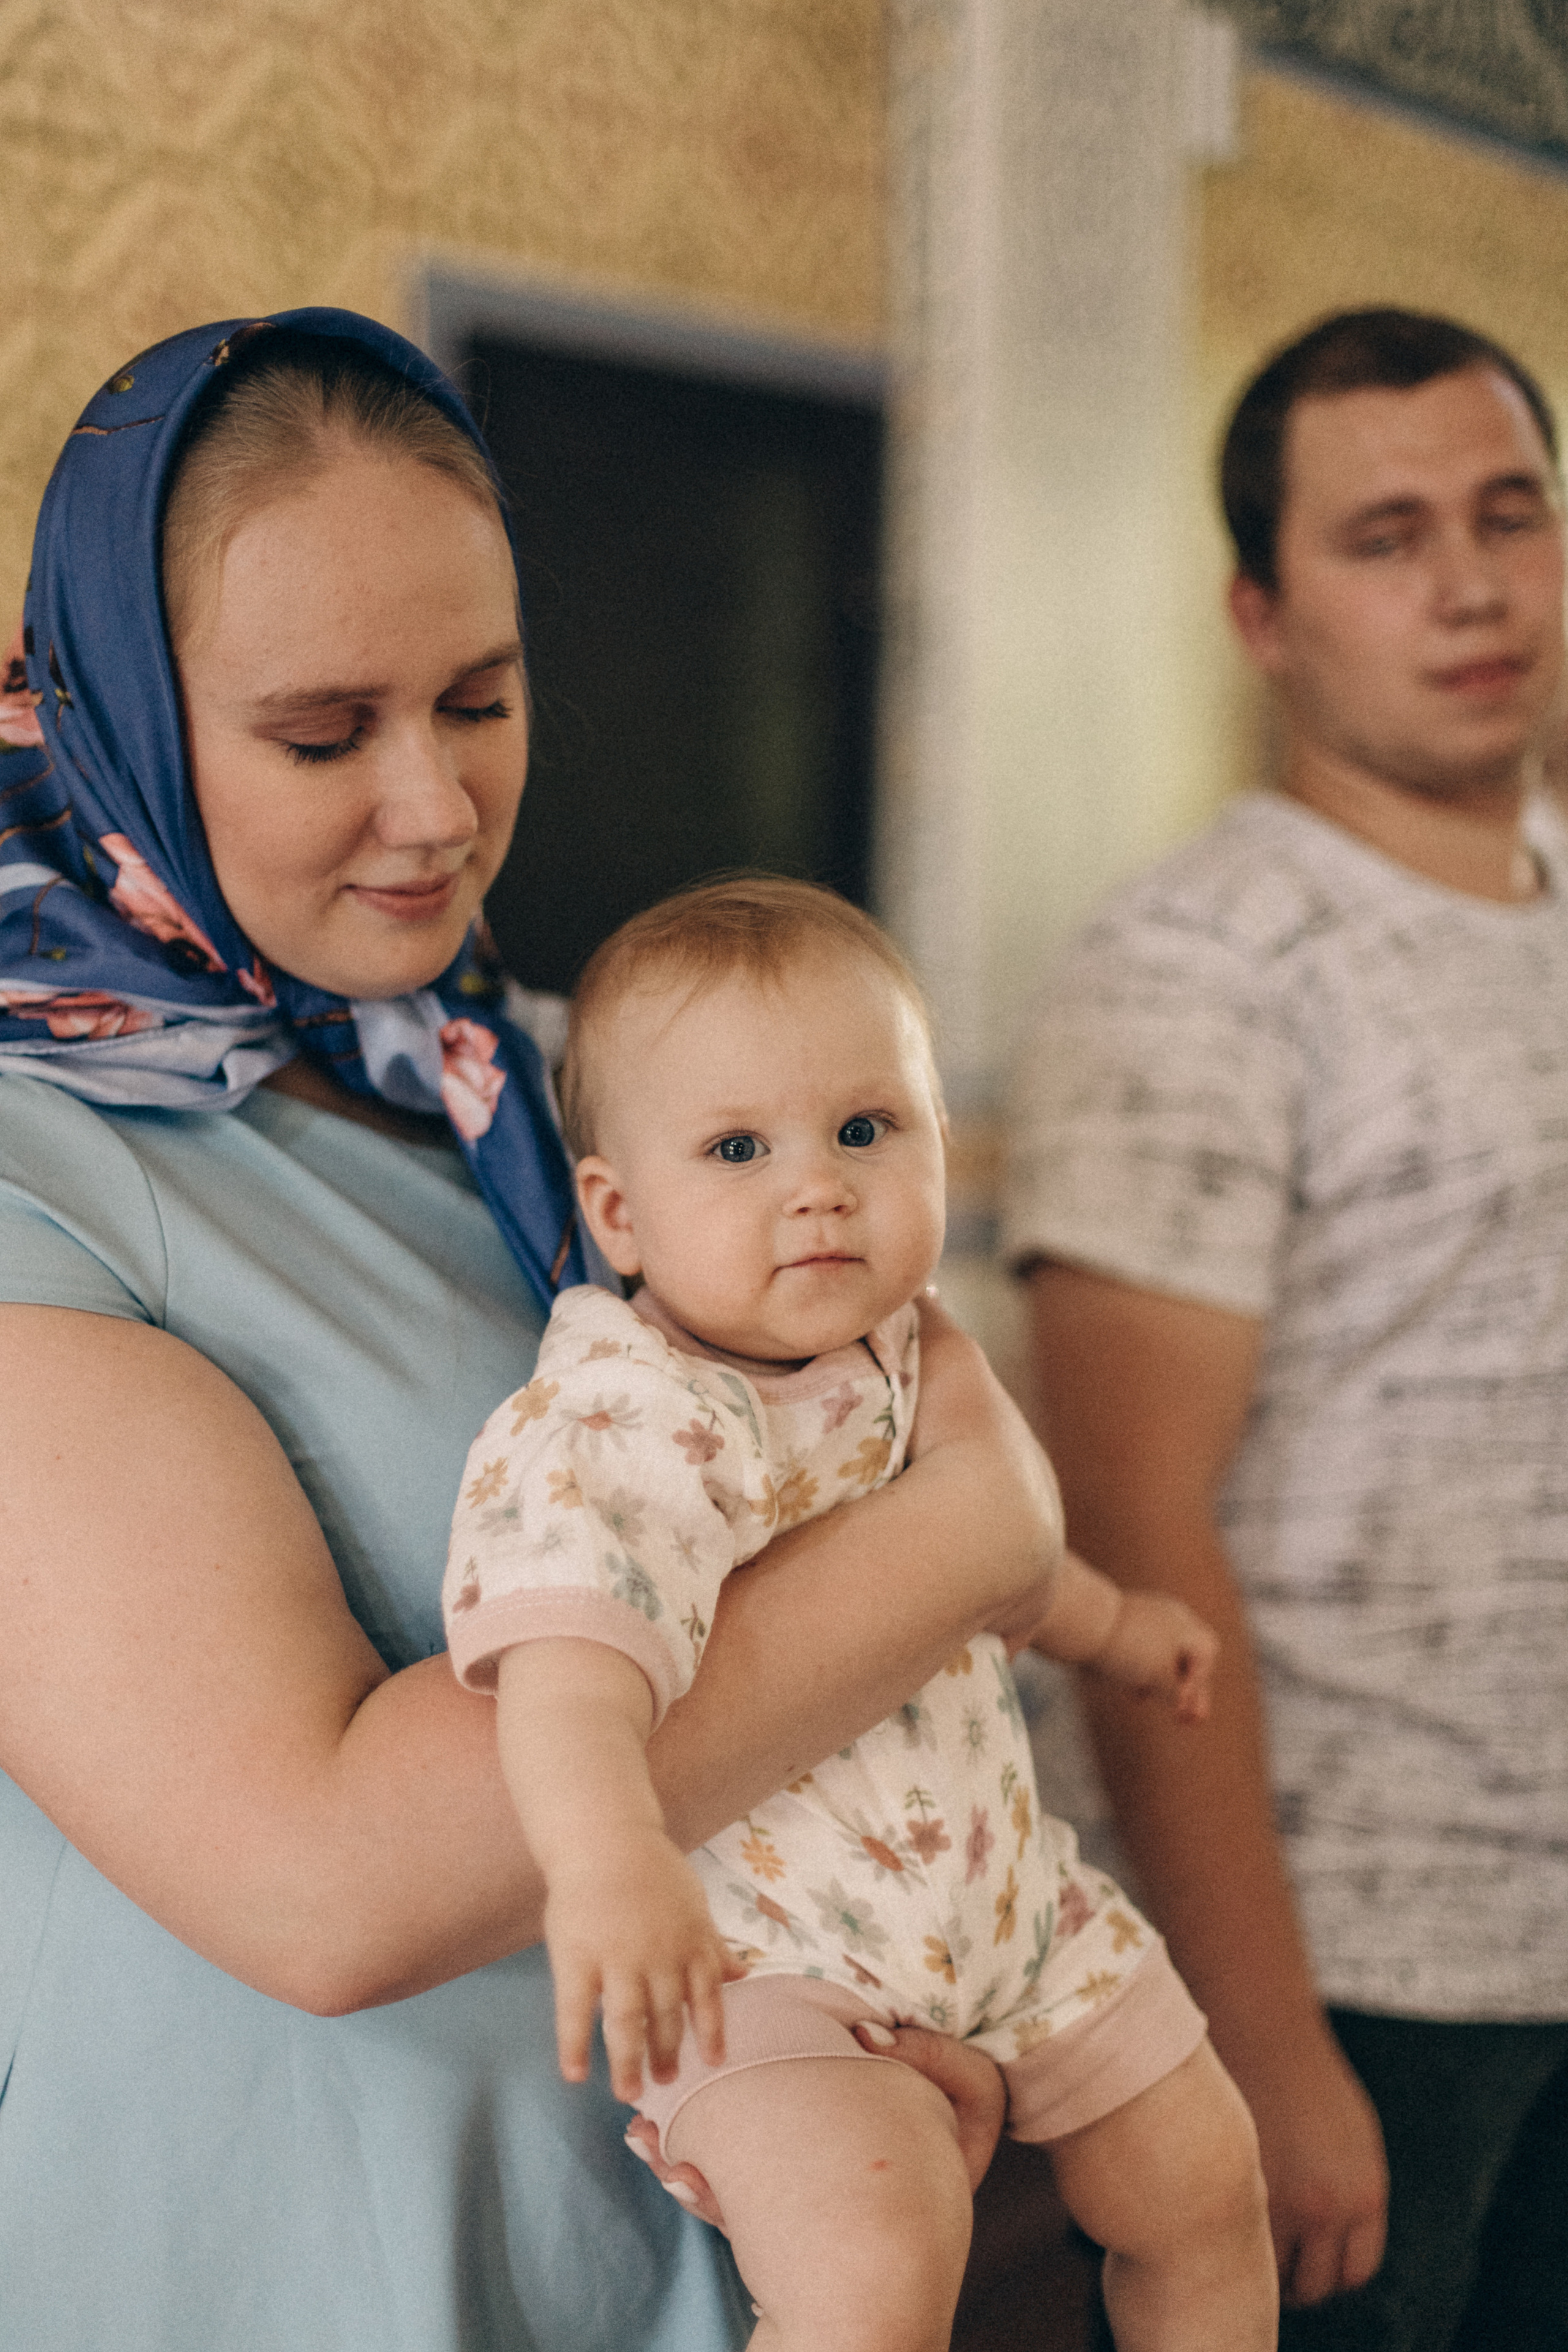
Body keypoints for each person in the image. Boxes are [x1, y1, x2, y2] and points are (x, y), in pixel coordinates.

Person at [0, 309, 1068, 2352]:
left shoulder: (558, 1087)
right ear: (126, 713)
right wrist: (965, 1543)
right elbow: (323, 1881)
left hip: (678, 2227)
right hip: (288, 2261)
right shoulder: (38, 1166)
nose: (432, 808)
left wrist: (899, 2016)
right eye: (324, 736)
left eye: (479, 701)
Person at [442, 876, 1275, 2352]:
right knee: (875, 2272)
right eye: (737, 1149)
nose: (814, 1184)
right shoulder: (625, 1417)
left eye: (864, 1130)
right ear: (618, 1214)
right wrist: (608, 1862)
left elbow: (991, 1565)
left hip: (1011, 1909)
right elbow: (567, 1671)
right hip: (765, 1963)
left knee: (1207, 2195)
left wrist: (1110, 1629)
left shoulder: (899, 1352)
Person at [1005, 307, 1568, 2351]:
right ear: (1263, 610)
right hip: (1352, 1973)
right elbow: (1133, 1521)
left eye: (1512, 514)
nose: (1472, 583)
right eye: (1388, 534)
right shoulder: (1192, 971)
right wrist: (1263, 2038)